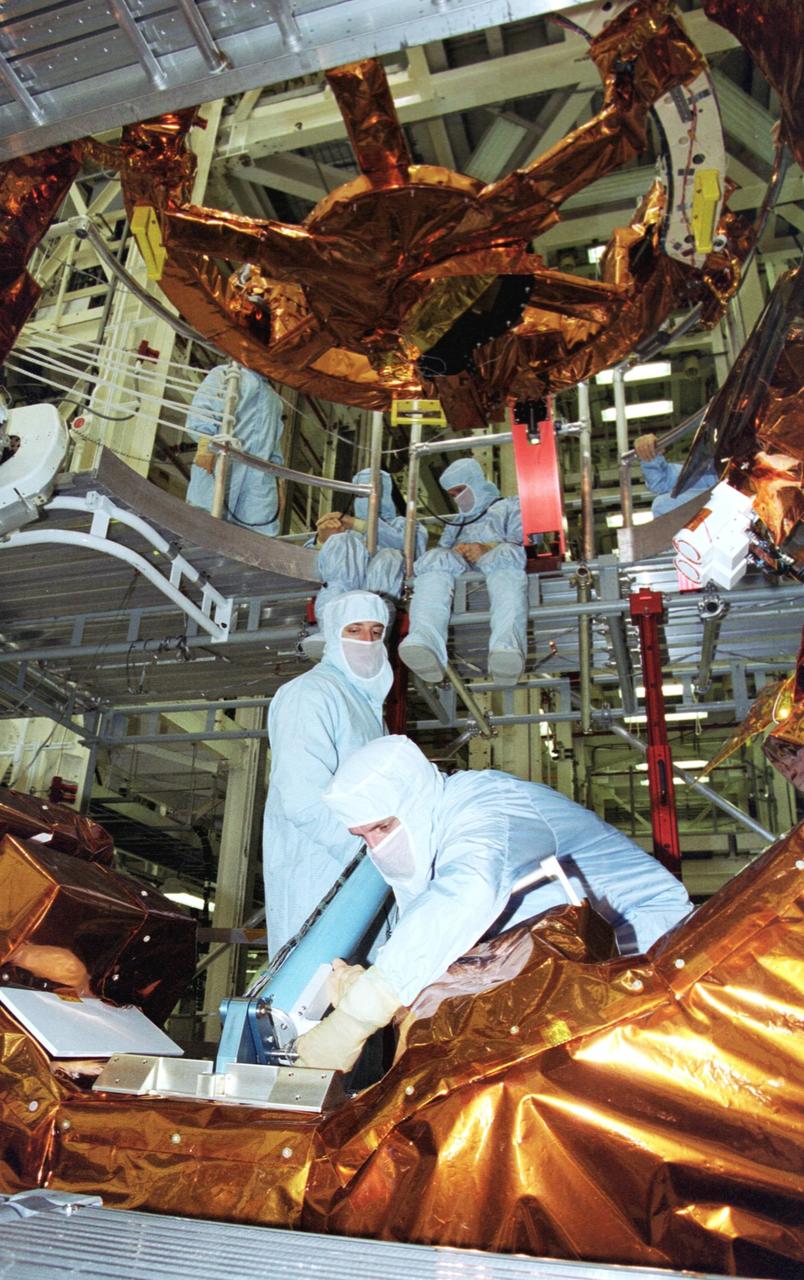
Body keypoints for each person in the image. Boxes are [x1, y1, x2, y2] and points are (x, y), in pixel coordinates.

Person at [295, 734, 693, 1071]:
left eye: (381, 827)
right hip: (569, 951)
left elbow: (465, 893)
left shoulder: (488, 806)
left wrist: (359, 1012)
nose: (376, 846)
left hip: (648, 947)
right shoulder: (433, 834)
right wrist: (374, 977)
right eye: (362, 835)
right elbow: (427, 924)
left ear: (413, 800)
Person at [262, 591, 393, 956]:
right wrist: (372, 853)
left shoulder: (369, 713)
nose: (366, 641)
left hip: (364, 878)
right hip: (319, 872)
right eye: (354, 630)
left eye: (375, 631)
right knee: (312, 995)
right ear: (334, 636)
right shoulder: (310, 693)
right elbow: (303, 800)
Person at [399, 456, 528, 686]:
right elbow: (443, 550)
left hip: (498, 565)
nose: (458, 498)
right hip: (462, 574)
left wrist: (488, 547)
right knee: (436, 559)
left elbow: (524, 541)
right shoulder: (455, 523)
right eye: (452, 494)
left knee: (506, 557)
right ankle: (425, 640)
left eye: (460, 490)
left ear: (474, 482)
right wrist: (455, 551)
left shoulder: (510, 506)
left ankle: (506, 647)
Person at [302, 468, 427, 660]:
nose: (368, 499)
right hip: (345, 591)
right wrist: (322, 540)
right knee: (340, 542)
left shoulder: (404, 524)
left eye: (372, 492)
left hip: (385, 588)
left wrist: (358, 524)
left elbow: (410, 546)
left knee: (389, 556)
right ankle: (329, 631)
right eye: (361, 494)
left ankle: (373, 638)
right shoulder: (349, 535)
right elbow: (313, 563)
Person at [185, 363, 284, 535]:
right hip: (219, 468)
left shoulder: (273, 399)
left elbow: (274, 445)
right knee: (205, 527)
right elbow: (201, 413)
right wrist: (204, 447)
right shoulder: (226, 374)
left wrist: (279, 484)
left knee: (257, 539)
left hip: (258, 487)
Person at [634, 433, 719, 518]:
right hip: (719, 513)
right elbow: (663, 482)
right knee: (662, 504)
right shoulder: (710, 473)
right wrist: (651, 453)